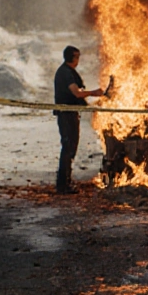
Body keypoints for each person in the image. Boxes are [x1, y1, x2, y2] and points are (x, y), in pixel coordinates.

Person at [53, 46, 104, 194]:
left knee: (70, 148)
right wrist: (94, 93)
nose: (78, 59)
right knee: (68, 148)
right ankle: (63, 185)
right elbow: (76, 93)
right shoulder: (66, 73)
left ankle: (64, 183)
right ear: (72, 57)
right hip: (67, 115)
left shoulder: (67, 71)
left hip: (70, 114)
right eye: (77, 56)